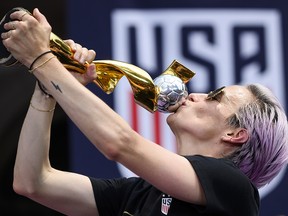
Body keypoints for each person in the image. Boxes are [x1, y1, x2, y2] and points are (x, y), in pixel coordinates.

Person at [1, 8, 288, 216]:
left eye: (215, 97)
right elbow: (33, 182)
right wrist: (47, 87)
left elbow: (120, 144)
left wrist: (42, 59)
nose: (198, 94)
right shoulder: (141, 192)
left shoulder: (234, 188)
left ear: (235, 134)